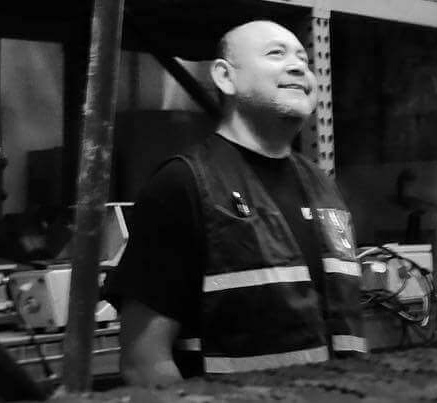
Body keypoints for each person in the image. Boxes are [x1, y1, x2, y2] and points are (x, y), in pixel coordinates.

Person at [109, 19, 367, 386]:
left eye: (304, 60)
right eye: (275, 54)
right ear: (225, 78)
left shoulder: (325, 189)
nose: (298, 67)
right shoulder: (184, 185)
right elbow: (144, 361)